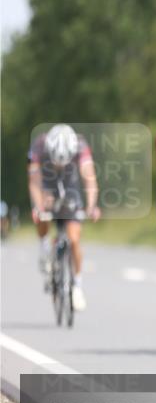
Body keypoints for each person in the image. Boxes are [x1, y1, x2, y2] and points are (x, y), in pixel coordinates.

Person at [27, 123, 101, 310]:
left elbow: (90, 178)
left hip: (70, 183)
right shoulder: (39, 145)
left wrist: (91, 206)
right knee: (42, 213)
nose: (59, 163)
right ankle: (44, 246)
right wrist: (38, 207)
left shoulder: (80, 146)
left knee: (74, 238)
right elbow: (34, 181)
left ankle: (77, 285)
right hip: (47, 181)